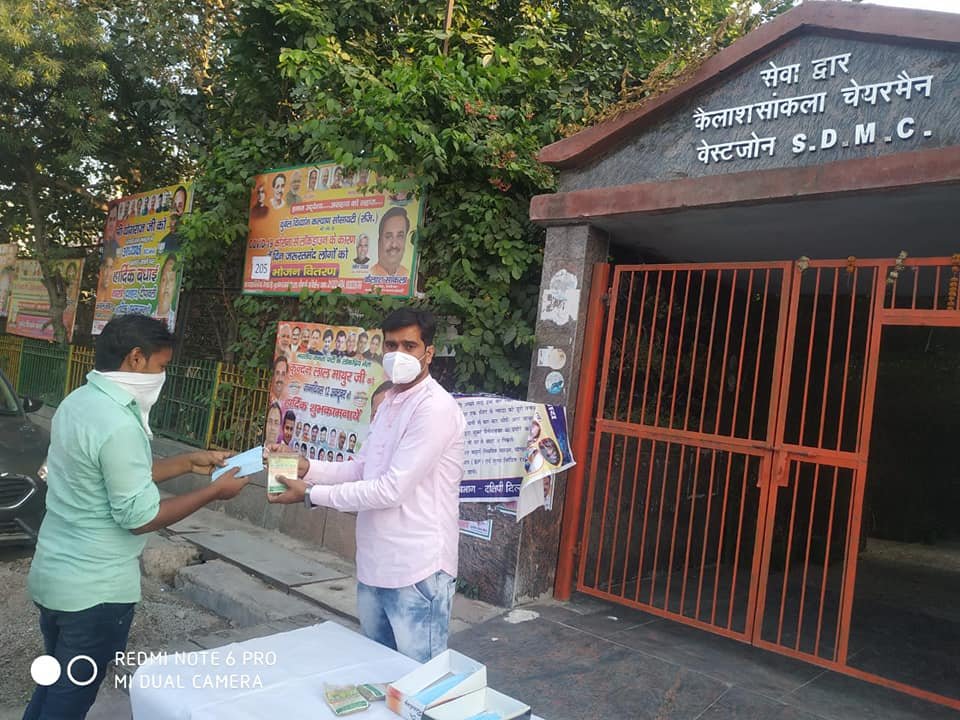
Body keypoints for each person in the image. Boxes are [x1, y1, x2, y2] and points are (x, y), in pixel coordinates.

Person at [24, 315, 250, 719]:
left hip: (54, 577)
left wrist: (185, 463)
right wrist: (216, 491)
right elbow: (139, 516)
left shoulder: (77, 404)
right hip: (94, 593)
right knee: (69, 700)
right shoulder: (118, 423)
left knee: (55, 686)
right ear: (136, 359)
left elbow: (107, 477)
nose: (163, 376)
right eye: (162, 366)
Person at [267, 308, 465, 662]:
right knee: (378, 672)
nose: (399, 355)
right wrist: (307, 467)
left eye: (410, 345)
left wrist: (311, 494)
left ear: (428, 353)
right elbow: (364, 469)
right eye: (391, 345)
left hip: (417, 571)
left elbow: (391, 489)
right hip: (375, 564)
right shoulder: (389, 402)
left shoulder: (435, 409)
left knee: (420, 683)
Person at [370, 208, 410, 278]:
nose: (394, 245)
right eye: (388, 236)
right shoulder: (369, 274)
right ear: (379, 242)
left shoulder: (409, 275)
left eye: (400, 236)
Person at [155, 255, 178, 330]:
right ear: (159, 284)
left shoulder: (176, 320)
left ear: (175, 286)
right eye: (164, 280)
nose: (167, 285)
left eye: (171, 280)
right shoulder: (147, 316)